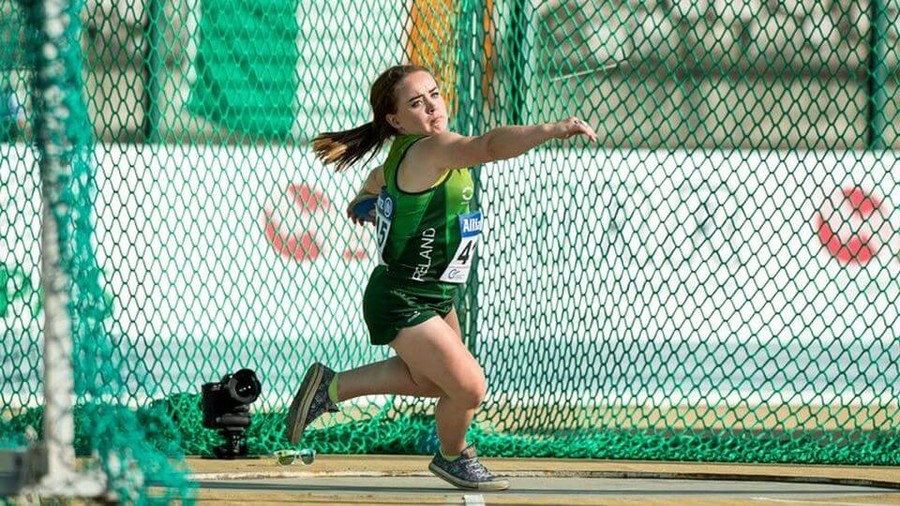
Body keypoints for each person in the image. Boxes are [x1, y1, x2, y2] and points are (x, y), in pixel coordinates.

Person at [286, 64, 596, 491]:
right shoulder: (433, 149)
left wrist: (365, 199)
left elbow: (378, 178)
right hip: (403, 298)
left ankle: (331, 386)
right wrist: (550, 128)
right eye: (417, 103)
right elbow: (488, 145)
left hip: (435, 293)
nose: (432, 106)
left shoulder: (412, 151)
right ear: (395, 119)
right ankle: (453, 456)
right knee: (469, 387)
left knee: (432, 382)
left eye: (434, 94)